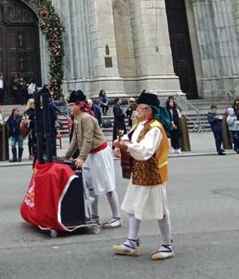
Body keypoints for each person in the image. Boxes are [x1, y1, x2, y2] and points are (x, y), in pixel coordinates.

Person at [113, 91, 174, 260]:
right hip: (139, 171)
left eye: (141, 108)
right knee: (133, 206)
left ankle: (167, 245)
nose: (137, 111)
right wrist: (120, 146)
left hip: (153, 173)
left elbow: (146, 150)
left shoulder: (155, 128)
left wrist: (126, 147)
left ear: (149, 110)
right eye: (138, 108)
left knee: (160, 210)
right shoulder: (139, 124)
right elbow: (128, 138)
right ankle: (132, 242)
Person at [65, 90, 121, 228]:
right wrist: (66, 156)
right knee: (91, 187)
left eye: (72, 105)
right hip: (90, 155)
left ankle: (117, 217)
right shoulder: (77, 118)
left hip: (100, 153)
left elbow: (88, 139)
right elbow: (75, 140)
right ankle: (94, 216)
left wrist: (81, 158)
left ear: (79, 105)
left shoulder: (87, 118)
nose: (70, 108)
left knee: (108, 186)